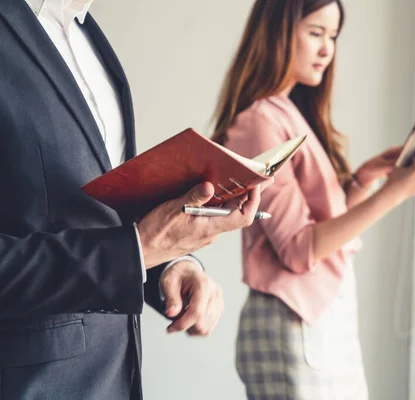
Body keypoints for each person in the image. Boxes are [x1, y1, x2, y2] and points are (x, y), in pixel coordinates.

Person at [0, 1, 265, 398]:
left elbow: (103, 214)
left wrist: (171, 264)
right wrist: (138, 250)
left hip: (118, 376)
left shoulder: (89, 37)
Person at [210, 1, 415, 398]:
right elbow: (299, 249)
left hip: (318, 322)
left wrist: (363, 181)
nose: (327, 50)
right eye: (316, 33)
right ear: (279, 31)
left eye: (332, 37)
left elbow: (317, 231)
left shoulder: (288, 113)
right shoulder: (261, 122)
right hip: (295, 322)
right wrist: (395, 192)